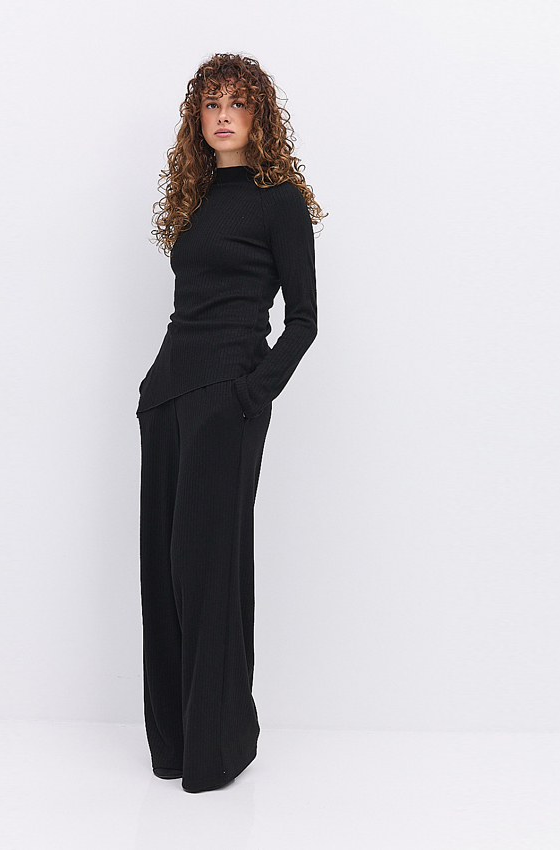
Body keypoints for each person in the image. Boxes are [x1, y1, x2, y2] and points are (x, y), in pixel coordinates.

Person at [136, 52, 326, 793]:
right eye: (211, 104)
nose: (223, 116)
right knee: (165, 573)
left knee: (209, 569)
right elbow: (190, 308)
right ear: (199, 117)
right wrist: (153, 389)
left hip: (227, 401)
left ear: (258, 117)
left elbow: (304, 321)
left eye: (237, 104)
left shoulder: (281, 201)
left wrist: (252, 395)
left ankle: (218, 750)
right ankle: (174, 746)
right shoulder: (195, 197)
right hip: (167, 398)